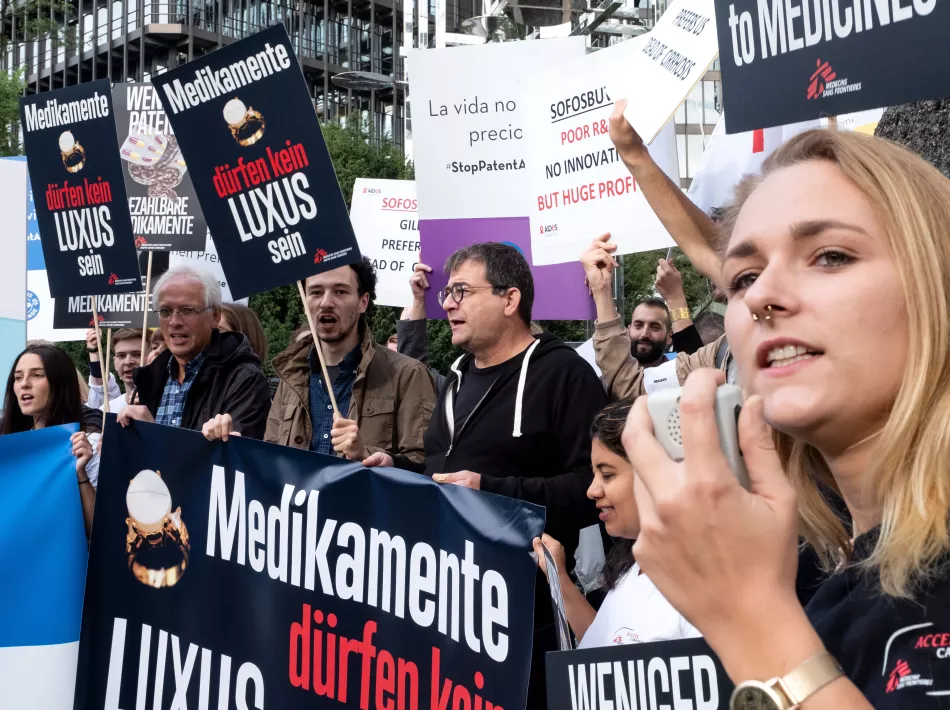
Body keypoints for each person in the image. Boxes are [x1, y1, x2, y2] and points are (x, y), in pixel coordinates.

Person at [621, 129, 950, 708]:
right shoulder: (808, 576)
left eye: (830, 256)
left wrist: (750, 620)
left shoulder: (764, 597)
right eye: (743, 277)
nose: (759, 296)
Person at [374, 243, 607, 707]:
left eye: (461, 291)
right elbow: (444, 474)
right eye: (446, 293)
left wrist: (494, 493)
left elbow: (594, 487)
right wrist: (399, 468)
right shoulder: (455, 380)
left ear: (510, 299)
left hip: (528, 613)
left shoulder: (564, 374)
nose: (448, 303)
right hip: (448, 606)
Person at [533, 400, 699, 647]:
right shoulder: (633, 569)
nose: (592, 490)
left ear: (657, 472)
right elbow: (602, 651)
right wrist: (558, 578)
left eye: (607, 474)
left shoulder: (704, 587)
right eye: (594, 474)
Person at [266, 257, 436, 466]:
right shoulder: (291, 377)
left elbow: (425, 467)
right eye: (316, 292)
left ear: (363, 302)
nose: (326, 302)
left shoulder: (408, 375)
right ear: (305, 302)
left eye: (340, 291)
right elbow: (269, 458)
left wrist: (365, 452)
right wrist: (231, 445)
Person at [119, 265, 271, 440]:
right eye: (165, 311)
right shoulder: (149, 379)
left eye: (187, 310)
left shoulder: (244, 380)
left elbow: (234, 462)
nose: (174, 322)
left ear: (215, 316)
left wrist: (152, 434)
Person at [2, 344, 99, 534]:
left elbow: (100, 529)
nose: (24, 384)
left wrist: (80, 474)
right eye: (18, 377)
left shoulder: (88, 444)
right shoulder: (11, 448)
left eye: (37, 375)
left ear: (60, 383)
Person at [84, 327, 143, 413]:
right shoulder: (106, 412)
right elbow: (100, 386)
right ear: (115, 362)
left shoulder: (165, 406)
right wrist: (93, 350)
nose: (128, 362)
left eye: (137, 354)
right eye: (121, 356)